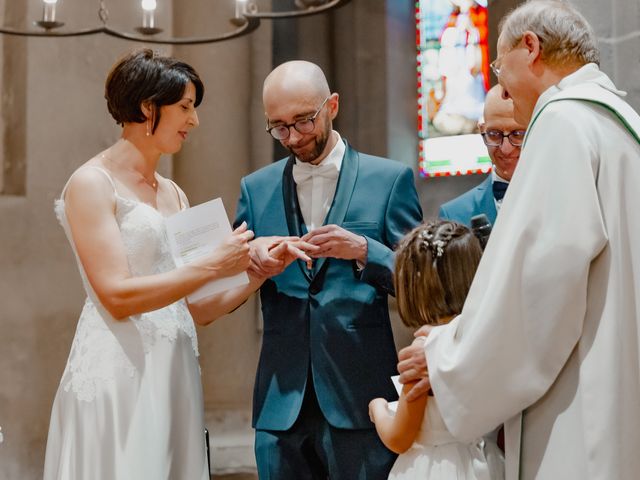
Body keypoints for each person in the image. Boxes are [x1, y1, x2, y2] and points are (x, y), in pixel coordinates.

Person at [397, 1, 640, 479]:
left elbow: (540, 287)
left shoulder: (563, 123)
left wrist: (446, 356)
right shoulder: (618, 124)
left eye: (498, 64)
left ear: (530, 48)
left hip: (578, 404)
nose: (499, 82)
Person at [43, 49, 260, 480]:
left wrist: (256, 272)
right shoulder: (91, 183)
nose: (193, 121)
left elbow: (196, 307)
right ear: (146, 108)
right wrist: (214, 265)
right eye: (184, 107)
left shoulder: (174, 193)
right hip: (120, 368)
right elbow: (117, 296)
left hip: (174, 367)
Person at [233, 60, 423, 479]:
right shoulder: (255, 188)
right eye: (279, 127)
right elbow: (227, 283)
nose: (294, 137)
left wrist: (363, 249)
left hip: (361, 398)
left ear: (332, 105)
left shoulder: (389, 180)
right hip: (281, 406)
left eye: (303, 121)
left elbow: (422, 285)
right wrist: (254, 264)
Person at [369, 220, 504, 480]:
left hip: (436, 467)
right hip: (485, 461)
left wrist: (379, 409)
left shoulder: (425, 350)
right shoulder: (481, 340)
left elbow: (399, 437)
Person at [438, 84, 526, 226]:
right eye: (494, 134)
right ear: (482, 130)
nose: (506, 149)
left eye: (518, 134)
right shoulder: (454, 215)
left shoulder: (567, 195)